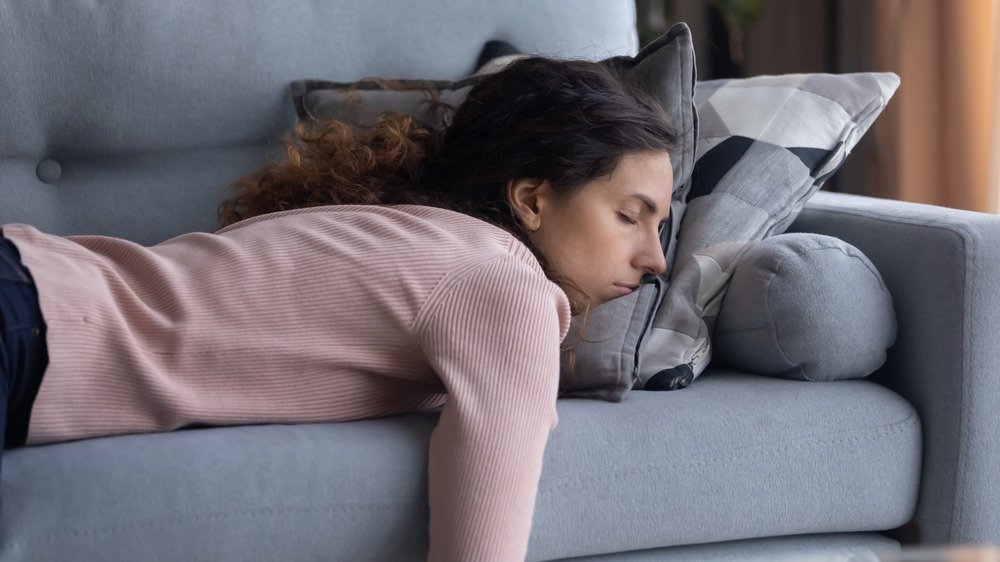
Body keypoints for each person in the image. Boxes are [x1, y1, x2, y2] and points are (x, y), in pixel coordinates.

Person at [0, 56, 677, 561]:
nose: (657, 260)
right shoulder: (506, 287)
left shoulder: (410, 233)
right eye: (629, 216)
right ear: (531, 199)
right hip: (24, 323)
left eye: (660, 227)